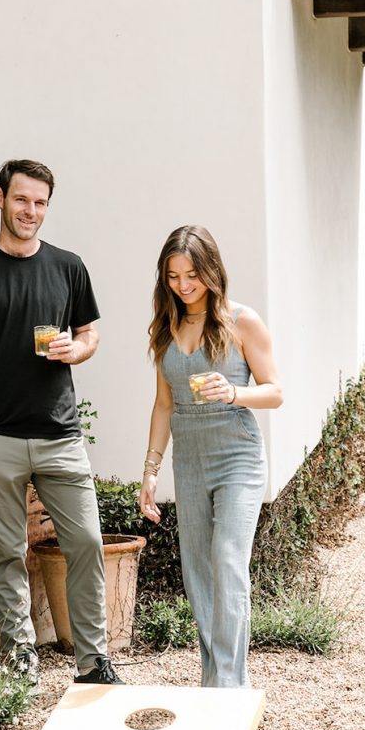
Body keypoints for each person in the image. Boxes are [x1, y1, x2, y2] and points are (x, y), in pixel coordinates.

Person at [0, 158, 123, 688]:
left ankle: (92, 662)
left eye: (40, 203)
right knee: (5, 553)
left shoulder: (68, 266)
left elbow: (91, 334)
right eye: (22, 200)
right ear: (0, 198)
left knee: (86, 540)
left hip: (60, 435)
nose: (31, 211)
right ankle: (20, 655)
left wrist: (76, 349)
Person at [139, 226, 283, 688]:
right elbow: (164, 404)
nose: (184, 285)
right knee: (198, 574)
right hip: (190, 460)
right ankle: (214, 678)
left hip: (237, 455)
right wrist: (150, 471)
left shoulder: (242, 321)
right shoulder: (166, 327)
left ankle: (228, 687)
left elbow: (276, 392)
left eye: (192, 275)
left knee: (226, 560)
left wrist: (235, 392)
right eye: (174, 276)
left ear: (211, 271)